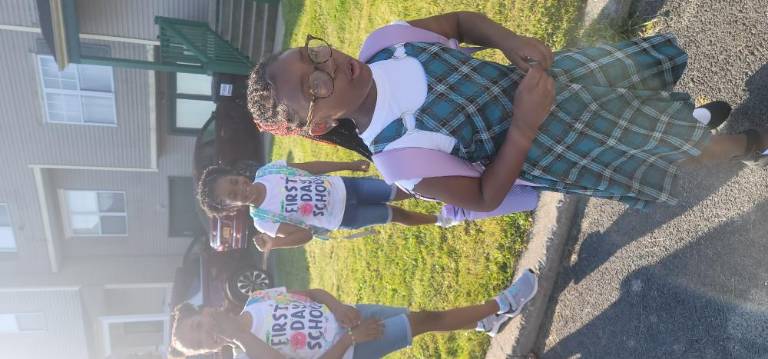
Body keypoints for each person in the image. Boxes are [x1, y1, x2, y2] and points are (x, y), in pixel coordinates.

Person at [245, 11, 768, 215]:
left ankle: (686, 122)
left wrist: (509, 40)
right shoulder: (398, 158)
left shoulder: (387, 43)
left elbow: (460, 23)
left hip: (557, 83)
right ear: (317, 124)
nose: (329, 65)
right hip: (557, 142)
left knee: (635, 103)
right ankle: (741, 147)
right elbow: (485, 195)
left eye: (314, 54)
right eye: (315, 84)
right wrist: (523, 124)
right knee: (655, 146)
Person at [170, 269, 538, 358]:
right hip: (352, 347)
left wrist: (338, 306)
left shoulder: (258, 300)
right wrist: (350, 339)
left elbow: (310, 293)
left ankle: (486, 323)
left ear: (204, 312)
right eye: (200, 344)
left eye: (198, 327)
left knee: (423, 317)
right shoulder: (248, 355)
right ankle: (504, 304)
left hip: (351, 316)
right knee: (424, 321)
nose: (207, 336)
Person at [197, 159, 445, 249]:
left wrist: (347, 165)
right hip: (345, 216)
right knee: (395, 214)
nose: (241, 188)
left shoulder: (268, 172)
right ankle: (444, 220)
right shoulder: (263, 220)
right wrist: (276, 242)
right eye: (234, 194)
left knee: (400, 190)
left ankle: (445, 192)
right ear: (232, 207)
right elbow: (304, 235)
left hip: (346, 186)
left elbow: (310, 168)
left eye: (234, 181)